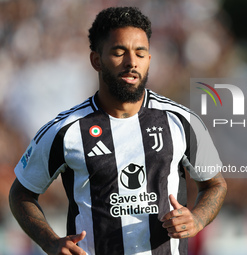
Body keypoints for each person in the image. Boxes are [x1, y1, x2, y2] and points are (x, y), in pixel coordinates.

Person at [9, 6, 227, 255]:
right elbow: (21, 193)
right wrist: (49, 242)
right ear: (96, 60)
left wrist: (197, 219)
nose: (131, 62)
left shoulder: (181, 120)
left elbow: (215, 184)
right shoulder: (65, 130)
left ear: (149, 59)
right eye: (119, 52)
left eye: (140, 53)